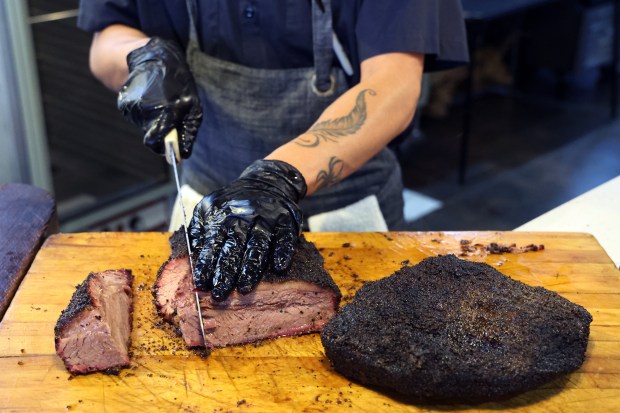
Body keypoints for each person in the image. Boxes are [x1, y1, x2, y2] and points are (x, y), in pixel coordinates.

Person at [78, 0, 469, 300]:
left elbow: (394, 86)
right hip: (206, 213)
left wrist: (275, 177)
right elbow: (105, 42)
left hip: (350, 215)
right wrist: (144, 56)